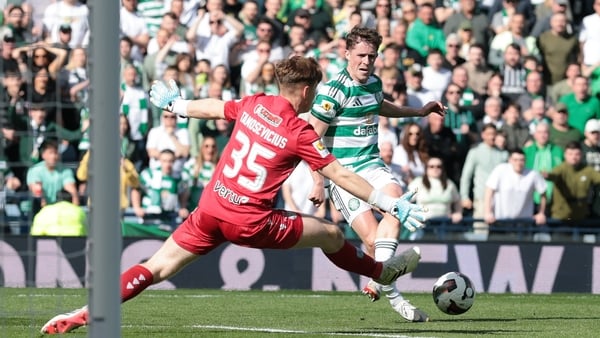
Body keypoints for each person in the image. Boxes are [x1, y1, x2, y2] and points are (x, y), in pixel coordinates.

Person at [40, 56, 425, 334]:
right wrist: (389, 202)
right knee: (332, 235)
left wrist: (177, 105)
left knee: (155, 268)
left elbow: (214, 108)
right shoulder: (299, 131)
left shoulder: (255, 103)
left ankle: (86, 314)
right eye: (316, 90)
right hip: (250, 221)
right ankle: (381, 271)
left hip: (211, 207)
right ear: (307, 91)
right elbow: (339, 172)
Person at [308, 27, 445, 323]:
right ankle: (393, 294)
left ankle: (379, 283)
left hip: (372, 166)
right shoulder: (332, 91)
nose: (366, 61)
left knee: (397, 204)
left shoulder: (374, 83)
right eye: (361, 55)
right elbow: (311, 140)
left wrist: (419, 113)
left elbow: (381, 106)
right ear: (346, 54)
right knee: (372, 242)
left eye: (372, 56)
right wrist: (319, 180)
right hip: (342, 176)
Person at [483, 149, 547, 230]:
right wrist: (487, 212)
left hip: (524, 223)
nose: (518, 163)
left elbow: (543, 192)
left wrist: (541, 213)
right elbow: (489, 190)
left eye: (521, 160)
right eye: (515, 160)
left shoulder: (533, 174)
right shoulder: (500, 170)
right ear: (510, 160)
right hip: (500, 221)